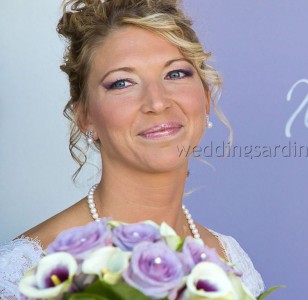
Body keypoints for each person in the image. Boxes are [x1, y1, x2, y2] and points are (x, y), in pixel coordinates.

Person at [0, 0, 264, 298]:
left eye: (175, 74)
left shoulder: (230, 261)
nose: (157, 102)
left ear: (204, 97)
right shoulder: (28, 274)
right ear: (85, 116)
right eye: (122, 82)